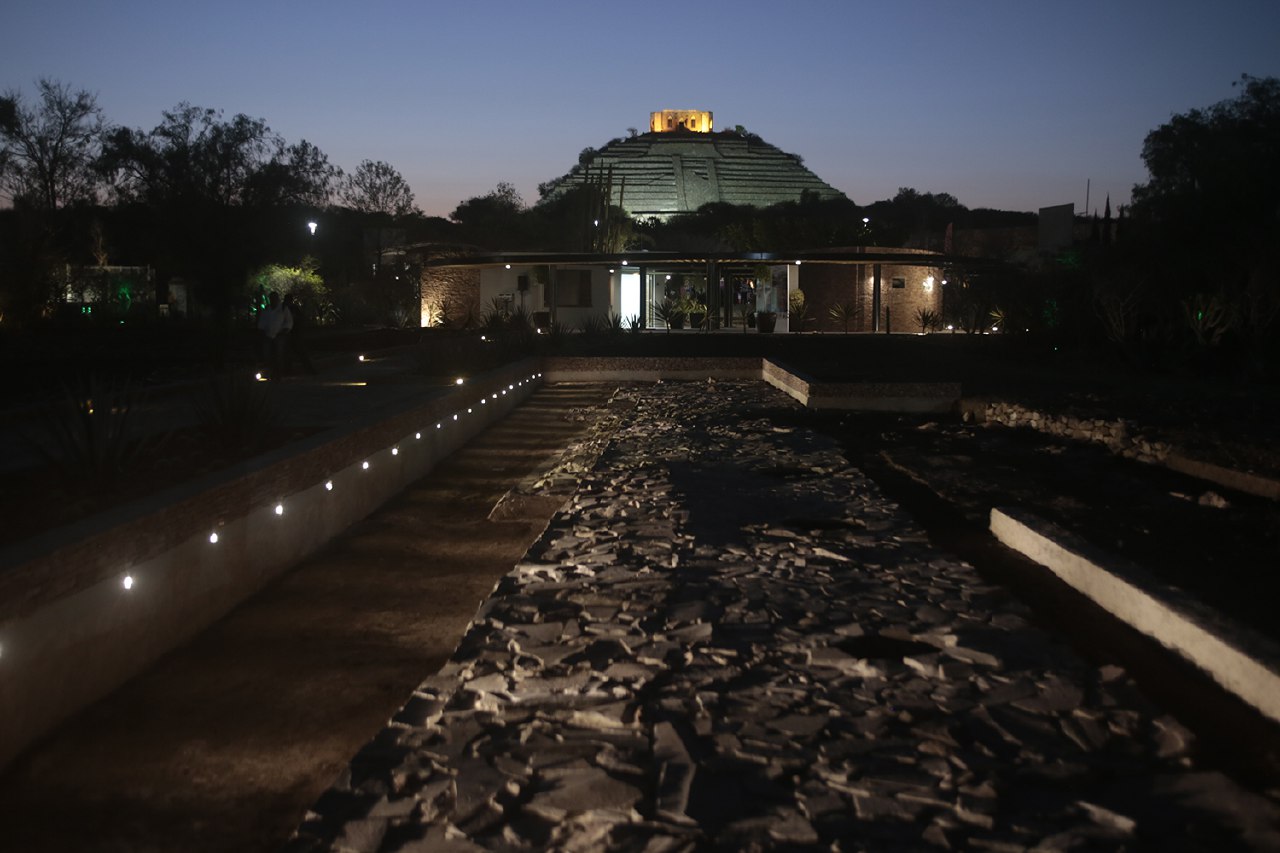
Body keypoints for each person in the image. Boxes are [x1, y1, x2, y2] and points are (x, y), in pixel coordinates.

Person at [256, 292, 292, 379]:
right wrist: (262, 331)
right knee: (267, 355)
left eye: (275, 298)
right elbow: (262, 321)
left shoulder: (283, 308)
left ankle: (278, 374)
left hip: (279, 335)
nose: (273, 300)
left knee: (278, 355)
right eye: (272, 298)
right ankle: (269, 373)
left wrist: (284, 330)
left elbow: (289, 321)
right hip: (268, 335)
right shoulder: (267, 309)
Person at [282, 292, 317, 375]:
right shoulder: (289, 308)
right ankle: (308, 370)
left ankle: (289, 371)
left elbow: (299, 319)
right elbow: (300, 319)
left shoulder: (287, 308)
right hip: (292, 333)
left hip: (292, 332)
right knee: (297, 353)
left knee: (293, 353)